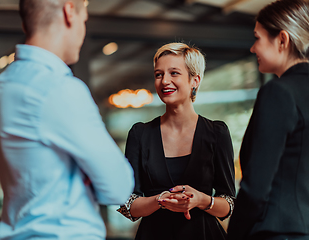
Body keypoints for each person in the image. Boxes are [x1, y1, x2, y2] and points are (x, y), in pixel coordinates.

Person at [0, 0, 134, 239]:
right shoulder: (58, 88)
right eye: (84, 20)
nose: (83, 32)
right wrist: (86, 173)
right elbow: (118, 187)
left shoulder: (4, 85)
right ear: (69, 12)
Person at [117, 43, 236, 240]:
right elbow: (128, 206)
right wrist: (160, 200)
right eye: (158, 74)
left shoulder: (217, 133)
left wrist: (200, 200)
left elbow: (228, 205)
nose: (164, 81)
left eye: (174, 73)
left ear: (194, 81)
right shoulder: (140, 134)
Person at [227, 0, 309, 239]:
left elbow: (256, 188)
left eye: (258, 38)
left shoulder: (279, 92)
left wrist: (233, 235)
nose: (253, 48)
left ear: (282, 40)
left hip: (278, 231)